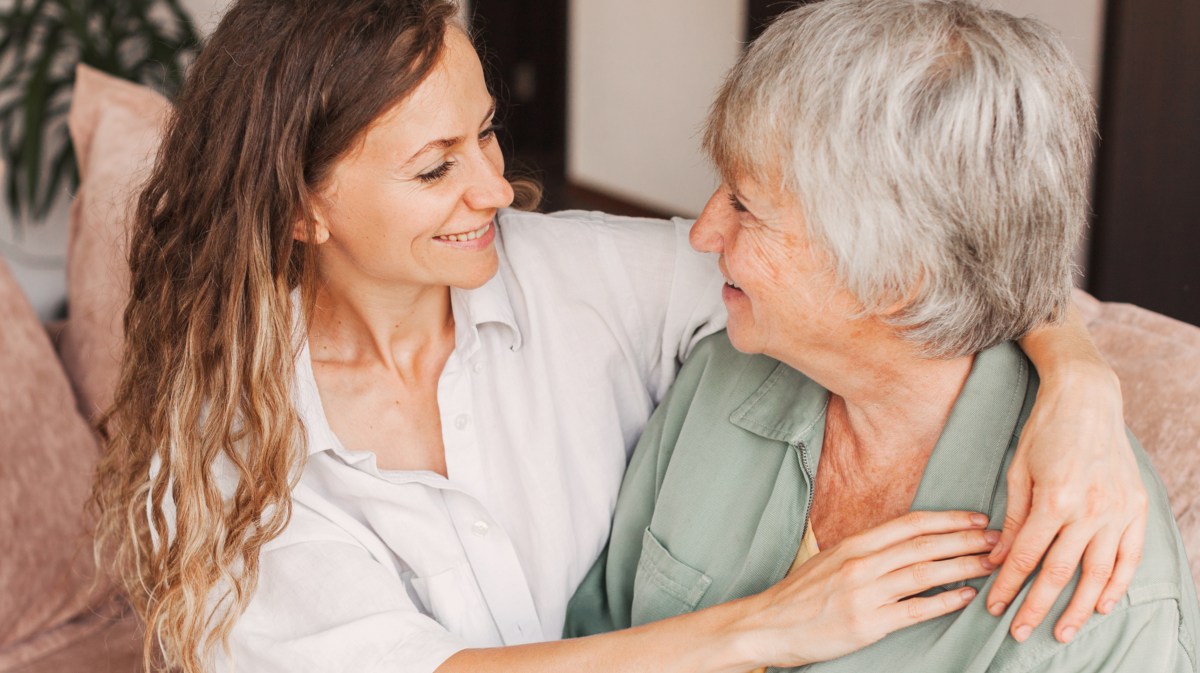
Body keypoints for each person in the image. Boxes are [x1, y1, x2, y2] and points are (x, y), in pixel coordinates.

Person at [90, 1, 1147, 672]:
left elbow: (920, 257)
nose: (499, 189)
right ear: (298, 206)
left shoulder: (578, 276)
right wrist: (776, 624)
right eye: (434, 167)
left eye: (488, 131)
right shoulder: (224, 438)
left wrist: (1080, 388)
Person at [564, 1, 1199, 671]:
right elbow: (598, 631)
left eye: (746, 207)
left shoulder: (1096, 587)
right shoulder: (725, 371)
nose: (704, 232)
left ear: (896, 276)